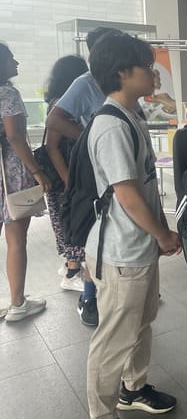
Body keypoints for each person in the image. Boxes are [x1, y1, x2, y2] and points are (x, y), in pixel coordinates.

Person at [84, 33, 181, 418]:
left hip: (137, 248)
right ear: (123, 73)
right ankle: (101, 412)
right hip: (121, 253)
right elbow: (127, 196)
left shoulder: (132, 115)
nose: (154, 73)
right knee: (112, 342)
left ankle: (133, 389)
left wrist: (158, 233)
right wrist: (162, 234)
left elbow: (143, 186)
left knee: (141, 323)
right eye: (147, 66)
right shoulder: (111, 126)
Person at [45, 26, 122, 326]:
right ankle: (90, 295)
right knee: (93, 233)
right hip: (90, 174)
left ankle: (112, 287)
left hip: (113, 169)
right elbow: (54, 127)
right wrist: (91, 138)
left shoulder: (117, 81)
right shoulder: (86, 84)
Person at [0, 43, 51, 321]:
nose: (17, 63)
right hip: (9, 172)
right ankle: (18, 303)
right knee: (16, 239)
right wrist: (37, 172)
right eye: (10, 59)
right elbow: (15, 137)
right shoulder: (7, 93)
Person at [43, 55, 90, 294]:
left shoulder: (58, 101)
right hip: (65, 176)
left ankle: (70, 266)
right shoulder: (62, 105)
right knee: (72, 221)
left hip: (67, 175)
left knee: (69, 221)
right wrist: (69, 181)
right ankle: (72, 272)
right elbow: (53, 147)